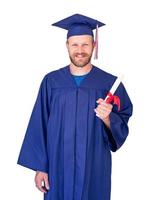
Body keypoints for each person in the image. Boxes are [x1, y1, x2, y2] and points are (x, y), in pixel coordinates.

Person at [17, 14, 133, 200]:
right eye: (75, 45)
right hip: (57, 166)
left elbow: (124, 119)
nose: (80, 50)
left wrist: (108, 118)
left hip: (93, 167)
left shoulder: (109, 84)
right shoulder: (51, 81)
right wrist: (41, 167)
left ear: (94, 46)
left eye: (86, 44)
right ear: (67, 46)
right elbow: (39, 124)